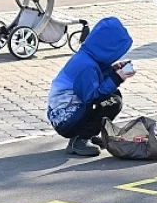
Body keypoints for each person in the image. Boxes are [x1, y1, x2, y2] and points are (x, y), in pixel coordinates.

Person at [47, 17, 133, 157]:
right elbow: (92, 96)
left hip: (67, 112)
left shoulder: (89, 56)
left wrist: (113, 71)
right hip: (65, 119)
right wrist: (117, 78)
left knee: (114, 95)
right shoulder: (87, 66)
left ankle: (88, 134)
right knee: (112, 102)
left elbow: (94, 83)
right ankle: (80, 139)